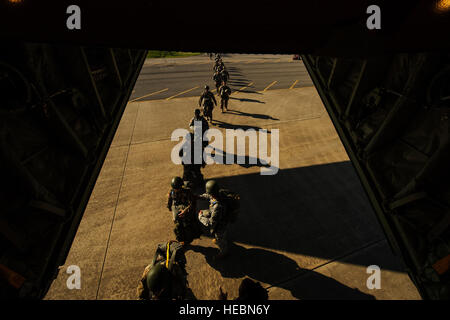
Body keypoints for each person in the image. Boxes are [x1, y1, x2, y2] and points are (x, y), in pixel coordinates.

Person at [197, 180, 229, 259]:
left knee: (220, 238)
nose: (209, 194)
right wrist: (199, 197)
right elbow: (208, 196)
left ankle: (223, 251)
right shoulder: (218, 193)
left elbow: (211, 223)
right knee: (206, 213)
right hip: (217, 215)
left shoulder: (217, 207)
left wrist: (200, 217)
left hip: (220, 223)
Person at [167, 176, 200, 243]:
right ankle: (181, 239)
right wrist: (170, 207)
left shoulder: (187, 192)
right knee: (178, 225)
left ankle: (191, 236)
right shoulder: (172, 191)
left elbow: (192, 203)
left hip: (186, 208)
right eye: (174, 188)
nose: (175, 190)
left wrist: (185, 211)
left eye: (177, 188)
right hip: (178, 208)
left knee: (188, 225)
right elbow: (170, 200)